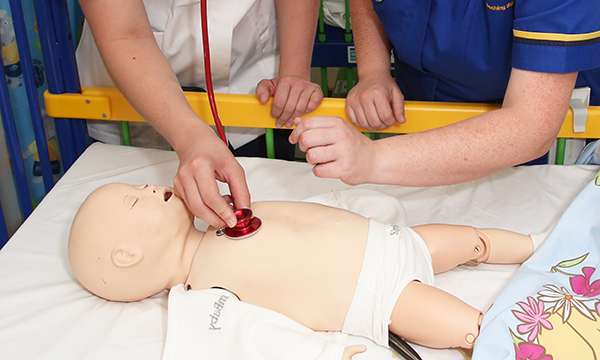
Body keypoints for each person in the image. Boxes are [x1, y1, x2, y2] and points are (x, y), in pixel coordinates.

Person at [68, 182, 547, 352]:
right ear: (126, 257)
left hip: (394, 241)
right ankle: (531, 343)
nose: (150, 189)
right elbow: (254, 339)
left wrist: (355, 203)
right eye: (137, 199)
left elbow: (305, 215)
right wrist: (324, 354)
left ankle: (536, 245)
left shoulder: (221, 220)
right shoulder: (200, 294)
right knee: (471, 328)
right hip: (378, 297)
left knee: (471, 242)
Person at [290, 0, 600, 187]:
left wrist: (371, 158)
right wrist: (374, 72)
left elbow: (532, 126)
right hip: (421, 106)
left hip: (537, 124)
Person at [76, 0, 323, 229]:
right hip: (133, 84)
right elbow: (124, 35)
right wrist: (190, 137)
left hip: (250, 76)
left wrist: (294, 73)